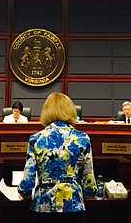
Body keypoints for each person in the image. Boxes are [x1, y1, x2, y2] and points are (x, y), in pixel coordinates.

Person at [18, 92, 96, 222]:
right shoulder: (82, 138)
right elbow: (89, 182)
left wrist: (25, 195)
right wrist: (87, 195)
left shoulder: (36, 139)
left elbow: (28, 181)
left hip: (42, 208)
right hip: (73, 206)